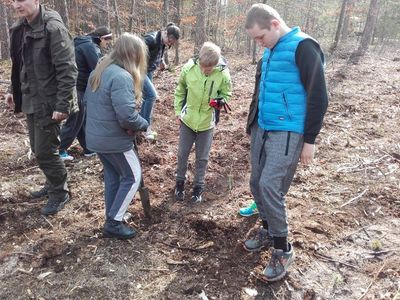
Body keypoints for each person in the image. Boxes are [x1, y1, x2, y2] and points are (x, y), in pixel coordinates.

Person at [244, 4, 328, 281]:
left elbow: (319, 97)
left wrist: (310, 140)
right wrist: (251, 125)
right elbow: (260, 92)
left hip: (289, 131)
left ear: (275, 24)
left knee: (270, 186)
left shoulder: (304, 47)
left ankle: (283, 248)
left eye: (260, 37)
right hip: (263, 127)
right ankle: (267, 228)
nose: (259, 44)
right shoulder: (269, 52)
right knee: (256, 182)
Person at [6, 0, 77, 215]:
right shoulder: (20, 27)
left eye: (22, 0)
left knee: (46, 151)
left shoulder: (53, 27)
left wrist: (62, 104)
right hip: (31, 98)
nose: (18, 5)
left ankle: (60, 192)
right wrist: (12, 89)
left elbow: (68, 70)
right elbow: (20, 63)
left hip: (49, 101)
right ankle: (52, 183)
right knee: (38, 149)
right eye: (14, 1)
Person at [84, 33, 149, 239]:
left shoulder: (100, 71)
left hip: (96, 138)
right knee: (132, 176)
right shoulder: (122, 77)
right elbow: (127, 116)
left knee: (113, 176)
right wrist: (144, 125)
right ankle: (113, 222)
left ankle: (112, 214)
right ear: (133, 55)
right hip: (114, 141)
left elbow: (89, 103)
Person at [174, 42, 232, 203]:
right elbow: (180, 90)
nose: (206, 69)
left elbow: (227, 93)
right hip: (188, 120)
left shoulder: (223, 74)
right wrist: (178, 112)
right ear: (199, 60)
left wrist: (221, 100)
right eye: (203, 66)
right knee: (182, 153)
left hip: (207, 123)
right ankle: (179, 183)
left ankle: (198, 187)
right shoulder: (188, 69)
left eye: (210, 67)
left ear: (216, 63)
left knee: (202, 158)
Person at [59, 26, 113, 161]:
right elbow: (97, 69)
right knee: (75, 120)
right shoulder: (90, 47)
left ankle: (88, 148)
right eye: (107, 40)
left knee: (82, 119)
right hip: (77, 88)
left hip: (79, 88)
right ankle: (59, 150)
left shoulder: (84, 43)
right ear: (101, 38)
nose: (108, 43)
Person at [141, 23, 180, 140]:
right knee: (152, 96)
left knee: (147, 98)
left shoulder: (161, 40)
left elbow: (158, 51)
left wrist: (161, 61)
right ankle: (145, 128)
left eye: (173, 42)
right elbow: (135, 51)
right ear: (166, 33)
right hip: (139, 71)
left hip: (149, 71)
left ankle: (141, 125)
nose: (170, 43)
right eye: (170, 40)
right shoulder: (150, 40)